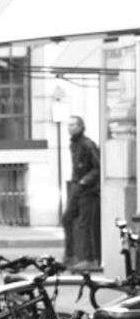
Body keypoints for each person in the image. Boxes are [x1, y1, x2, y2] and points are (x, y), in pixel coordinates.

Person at [63, 114, 102, 268]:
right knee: (67, 218)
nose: (69, 127)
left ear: (80, 127)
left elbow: (97, 167)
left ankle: (89, 258)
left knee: (85, 223)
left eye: (73, 125)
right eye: (69, 125)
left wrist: (84, 181)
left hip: (88, 190)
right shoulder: (73, 144)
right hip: (77, 188)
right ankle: (70, 255)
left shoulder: (88, 144)